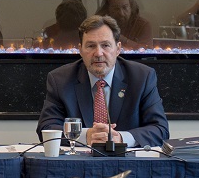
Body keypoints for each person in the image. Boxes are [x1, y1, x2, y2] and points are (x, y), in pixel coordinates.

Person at [37, 14, 169, 148]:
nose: (98, 53)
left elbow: (160, 130)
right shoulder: (60, 80)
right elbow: (46, 128)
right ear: (80, 50)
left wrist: (121, 138)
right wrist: (86, 135)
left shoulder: (142, 77)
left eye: (105, 45)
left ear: (118, 49)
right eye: (90, 46)